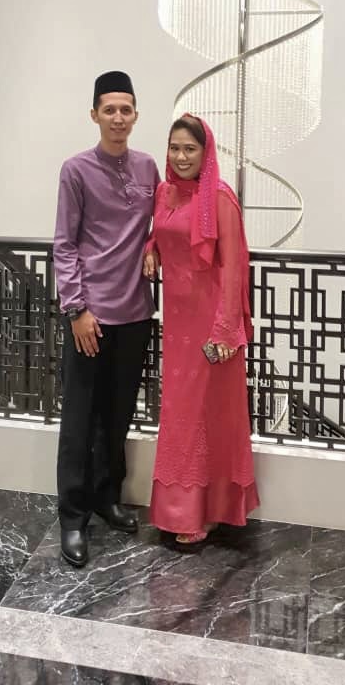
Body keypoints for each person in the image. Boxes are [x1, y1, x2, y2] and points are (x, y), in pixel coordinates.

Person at [53, 71, 160, 568]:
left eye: (126, 109)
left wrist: (154, 247)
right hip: (90, 317)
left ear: (136, 116)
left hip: (135, 313)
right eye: (109, 110)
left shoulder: (147, 167)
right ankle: (72, 517)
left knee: (117, 416)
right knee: (79, 419)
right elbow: (64, 244)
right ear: (94, 115)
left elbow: (163, 222)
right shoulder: (76, 170)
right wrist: (77, 309)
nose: (118, 118)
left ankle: (106, 496)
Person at [143, 114, 259, 547]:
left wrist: (226, 329)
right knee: (179, 413)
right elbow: (161, 231)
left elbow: (234, 266)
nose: (181, 156)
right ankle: (182, 509)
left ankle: (205, 511)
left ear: (205, 153)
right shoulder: (165, 193)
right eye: (174, 148)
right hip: (177, 325)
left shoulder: (221, 198)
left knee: (206, 415)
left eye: (190, 149)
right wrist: (150, 249)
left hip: (211, 327)